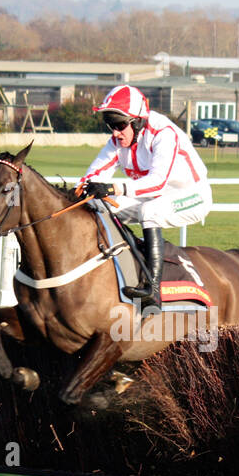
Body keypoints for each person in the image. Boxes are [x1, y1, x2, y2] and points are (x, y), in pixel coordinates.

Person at [78, 84, 212, 309]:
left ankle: (153, 290)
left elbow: (157, 182)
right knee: (101, 207)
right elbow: (90, 177)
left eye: (120, 125)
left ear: (138, 121)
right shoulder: (118, 141)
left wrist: (113, 188)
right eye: (110, 125)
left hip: (192, 195)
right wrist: (73, 194)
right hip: (152, 195)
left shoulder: (164, 134)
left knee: (149, 212)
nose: (115, 133)